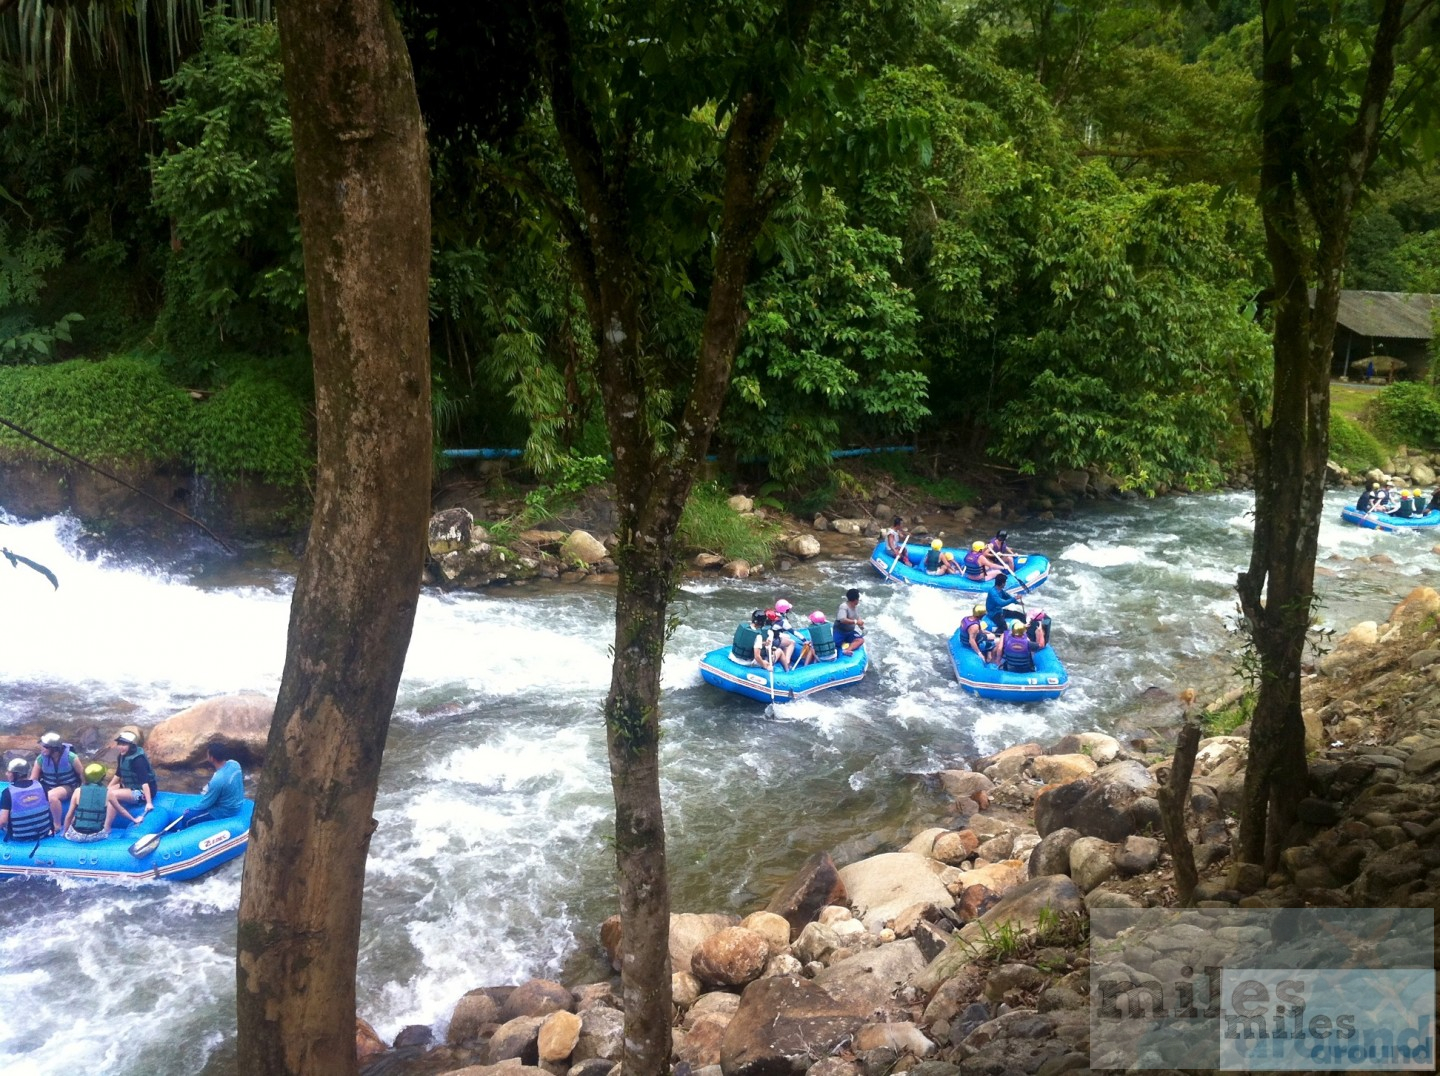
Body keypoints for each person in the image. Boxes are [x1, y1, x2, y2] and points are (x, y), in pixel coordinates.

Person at [103, 730, 157, 837]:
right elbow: (118, 774)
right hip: (130, 786)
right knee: (108, 791)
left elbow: (145, 782)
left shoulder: (138, 760)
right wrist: (108, 788)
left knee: (113, 795)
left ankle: (107, 828)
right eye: (120, 744)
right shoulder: (122, 756)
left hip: (143, 791)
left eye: (124, 745)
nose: (121, 747)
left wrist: (149, 802)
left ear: (131, 746)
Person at [178, 743, 245, 828]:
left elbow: (206, 803)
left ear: (212, 758)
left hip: (226, 811)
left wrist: (191, 810)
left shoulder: (218, 779)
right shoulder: (235, 764)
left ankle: (184, 835)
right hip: (237, 804)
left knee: (187, 817)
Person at [32, 731, 84, 833]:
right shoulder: (41, 759)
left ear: (54, 748)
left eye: (45, 747)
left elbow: (82, 775)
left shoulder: (71, 757)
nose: (41, 748)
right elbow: (33, 779)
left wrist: (83, 791)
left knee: (52, 796)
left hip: (68, 786)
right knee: (46, 794)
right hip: (48, 786)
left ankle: (57, 824)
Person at [1, 757, 54, 842]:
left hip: (20, 836)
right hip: (44, 832)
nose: (6, 774)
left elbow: (3, 821)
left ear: (16, 774)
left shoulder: (7, 793)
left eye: (9, 772)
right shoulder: (42, 787)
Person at [63, 763, 109, 841]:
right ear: (102, 777)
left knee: (75, 817)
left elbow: (69, 816)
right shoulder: (107, 792)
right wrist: (134, 820)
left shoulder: (78, 791)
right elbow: (117, 811)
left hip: (76, 835)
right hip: (96, 836)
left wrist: (64, 833)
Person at [835, 589, 864, 653]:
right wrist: (856, 622)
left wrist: (861, 625)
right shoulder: (844, 606)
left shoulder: (854, 607)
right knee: (836, 644)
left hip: (850, 632)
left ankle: (847, 650)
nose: (859, 601)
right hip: (840, 632)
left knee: (860, 640)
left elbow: (857, 617)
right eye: (858, 599)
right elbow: (842, 619)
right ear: (855, 600)